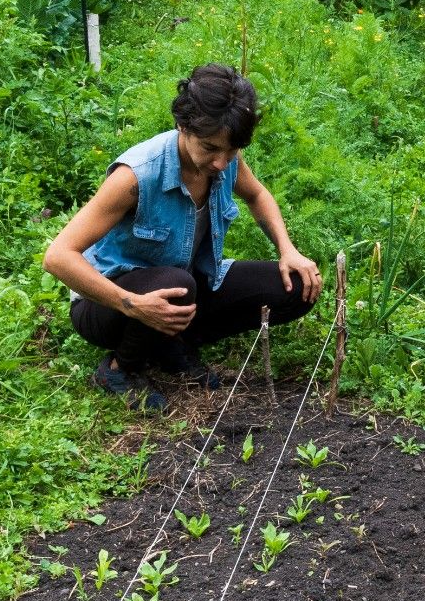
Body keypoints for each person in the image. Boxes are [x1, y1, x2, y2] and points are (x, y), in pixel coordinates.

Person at [44, 64, 323, 411]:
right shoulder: (137, 175)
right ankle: (119, 369)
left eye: (231, 152)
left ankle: (171, 344)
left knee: (295, 287)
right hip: (106, 306)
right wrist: (131, 304)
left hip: (182, 285)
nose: (222, 163)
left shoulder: (224, 157)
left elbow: (257, 195)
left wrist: (288, 249)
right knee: (177, 283)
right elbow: (58, 256)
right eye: (210, 148)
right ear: (183, 125)